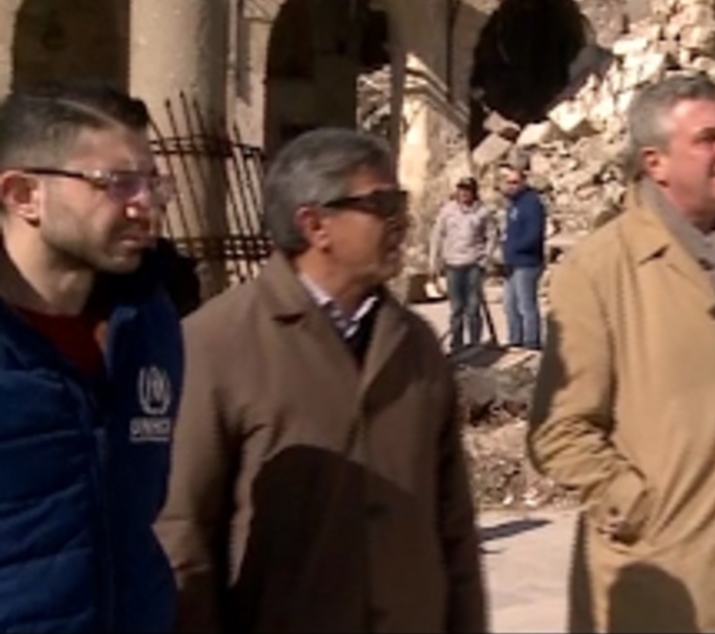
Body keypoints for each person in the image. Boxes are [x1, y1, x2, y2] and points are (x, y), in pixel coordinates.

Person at [155, 128, 487, 633]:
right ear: (315, 225)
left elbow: (454, 524)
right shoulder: (216, 344)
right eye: (381, 204)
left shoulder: (416, 344)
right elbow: (184, 532)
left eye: (398, 202)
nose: (401, 220)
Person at [528, 72, 715, 634]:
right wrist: (639, 505)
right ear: (655, 162)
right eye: (708, 139)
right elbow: (559, 431)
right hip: (666, 583)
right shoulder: (599, 269)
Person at [0, 81, 184, 631]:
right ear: (23, 195)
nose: (145, 205)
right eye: (116, 183)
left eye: (154, 184)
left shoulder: (147, 322)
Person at [430, 176, 499, 352]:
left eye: (467, 190)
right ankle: (457, 343)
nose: (463, 193)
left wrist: (485, 259)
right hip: (453, 264)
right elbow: (437, 236)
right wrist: (434, 262)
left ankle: (475, 342)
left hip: (473, 264)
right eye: (461, 189)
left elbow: (492, 236)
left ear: (474, 192)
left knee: (473, 306)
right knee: (456, 308)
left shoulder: (482, 212)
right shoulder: (447, 210)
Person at [497, 164, 546, 350]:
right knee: (509, 305)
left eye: (515, 182)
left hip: (527, 263)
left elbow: (534, 235)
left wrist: (514, 249)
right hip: (512, 263)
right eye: (508, 182)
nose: (511, 186)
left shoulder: (532, 204)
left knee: (526, 305)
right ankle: (515, 339)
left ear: (524, 182)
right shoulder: (514, 205)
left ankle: (531, 341)